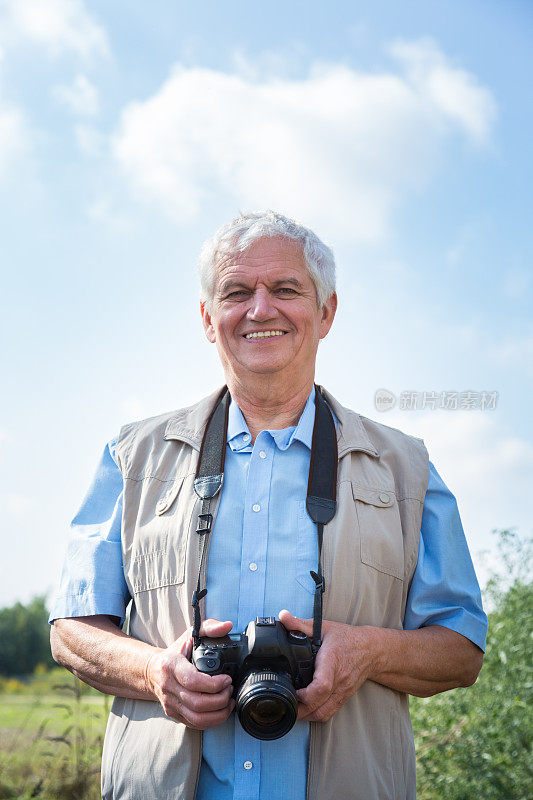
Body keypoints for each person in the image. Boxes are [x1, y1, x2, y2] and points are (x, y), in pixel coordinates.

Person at [49, 210, 487, 800]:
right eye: (236, 292)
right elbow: (71, 630)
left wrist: (366, 651)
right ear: (208, 318)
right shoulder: (134, 457)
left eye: (286, 290)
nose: (260, 310)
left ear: (327, 312)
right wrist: (155, 674)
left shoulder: (405, 466)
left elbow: (461, 650)